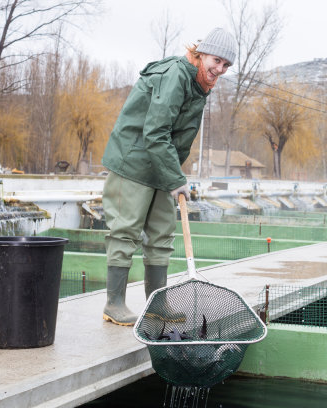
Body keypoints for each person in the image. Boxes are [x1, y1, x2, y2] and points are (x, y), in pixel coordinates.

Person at [100, 28, 236, 326]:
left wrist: (173, 174)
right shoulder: (176, 74)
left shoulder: (198, 84)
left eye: (226, 65)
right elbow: (155, 131)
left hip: (161, 166)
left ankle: (157, 304)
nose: (220, 69)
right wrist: (177, 179)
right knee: (125, 232)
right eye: (217, 60)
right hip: (133, 161)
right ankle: (114, 304)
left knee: (162, 234)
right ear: (201, 54)